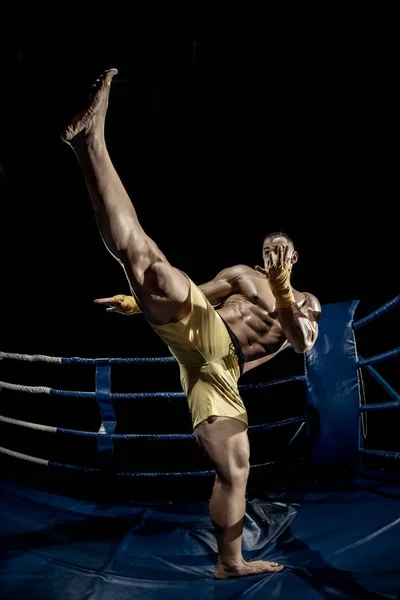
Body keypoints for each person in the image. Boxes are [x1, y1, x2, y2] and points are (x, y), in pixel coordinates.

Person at [61, 68, 321, 580]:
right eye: (269, 248)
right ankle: (88, 145)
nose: (274, 255)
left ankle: (230, 563)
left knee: (235, 469)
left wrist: (286, 289)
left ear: (294, 255)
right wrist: (139, 305)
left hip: (222, 373)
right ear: (261, 250)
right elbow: (197, 295)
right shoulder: (240, 276)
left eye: (282, 249)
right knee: (152, 269)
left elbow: (299, 341)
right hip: (204, 333)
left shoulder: (306, 299)